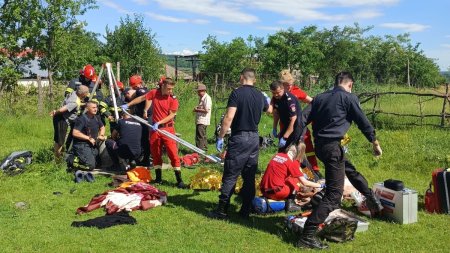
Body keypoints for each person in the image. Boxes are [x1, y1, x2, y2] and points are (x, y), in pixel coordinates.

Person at [298, 72, 383, 250]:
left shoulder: (320, 98)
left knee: (349, 169)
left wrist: (296, 140)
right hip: (332, 148)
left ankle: (370, 197)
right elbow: (363, 122)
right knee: (334, 196)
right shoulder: (349, 98)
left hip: (321, 146)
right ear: (350, 84)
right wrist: (375, 142)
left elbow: (302, 119)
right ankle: (308, 234)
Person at [208, 68, 270, 220]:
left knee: (231, 173)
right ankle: (245, 210)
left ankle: (222, 210)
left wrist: (221, 136)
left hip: (240, 137)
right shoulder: (260, 94)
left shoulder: (237, 93)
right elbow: (270, 110)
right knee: (249, 175)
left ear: (242, 77)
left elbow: (229, 117)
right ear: (254, 79)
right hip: (254, 138)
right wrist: (267, 99)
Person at [124, 78, 186, 188]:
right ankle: (158, 178)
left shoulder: (173, 99)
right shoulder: (154, 93)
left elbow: (171, 115)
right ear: (163, 86)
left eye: (172, 89)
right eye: (168, 89)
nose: (170, 91)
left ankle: (179, 180)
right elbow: (142, 98)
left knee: (173, 154)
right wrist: (128, 105)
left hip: (167, 129)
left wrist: (159, 122)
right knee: (155, 153)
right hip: (155, 130)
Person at [260, 143, 324, 212]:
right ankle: (291, 202)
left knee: (290, 178)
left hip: (263, 189)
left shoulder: (277, 155)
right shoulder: (292, 162)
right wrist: (321, 185)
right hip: (276, 192)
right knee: (295, 182)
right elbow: (305, 182)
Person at [280, 70, 320, 172]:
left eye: (291, 84)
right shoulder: (278, 94)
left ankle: (315, 170)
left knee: (307, 146)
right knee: (287, 149)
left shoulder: (296, 91)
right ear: (282, 84)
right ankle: (288, 171)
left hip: (300, 124)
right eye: (287, 85)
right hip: (286, 126)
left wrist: (308, 115)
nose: (289, 87)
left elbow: (312, 101)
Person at [50, 85, 89, 158]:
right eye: (87, 93)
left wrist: (84, 104)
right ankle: (57, 159)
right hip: (62, 119)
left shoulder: (74, 93)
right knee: (60, 141)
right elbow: (62, 109)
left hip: (61, 118)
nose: (87, 94)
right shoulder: (75, 102)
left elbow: (75, 103)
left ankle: (62, 152)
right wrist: (55, 112)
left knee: (60, 139)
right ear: (82, 94)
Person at [123, 75, 152, 166]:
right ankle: (145, 158)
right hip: (143, 118)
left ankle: (145, 159)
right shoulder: (141, 90)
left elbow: (147, 98)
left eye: (135, 86)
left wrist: (145, 110)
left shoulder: (141, 91)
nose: (135, 88)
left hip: (145, 118)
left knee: (144, 139)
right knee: (144, 138)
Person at [70, 101, 106, 171]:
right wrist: (88, 138)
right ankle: (71, 160)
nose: (96, 109)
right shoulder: (82, 119)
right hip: (81, 145)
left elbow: (102, 127)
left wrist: (101, 135)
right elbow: (75, 133)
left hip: (92, 145)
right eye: (93, 108)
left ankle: (81, 158)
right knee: (90, 166)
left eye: (96, 107)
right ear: (87, 108)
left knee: (98, 164)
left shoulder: (97, 117)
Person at [270, 80, 303, 152]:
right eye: (273, 93)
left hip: (296, 127)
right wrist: (274, 128)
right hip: (286, 125)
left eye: (278, 92)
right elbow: (276, 113)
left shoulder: (289, 100)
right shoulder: (276, 98)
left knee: (291, 152)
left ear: (283, 89)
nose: (276, 95)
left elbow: (293, 120)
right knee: (281, 151)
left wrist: (285, 137)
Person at [193, 83, 212, 151]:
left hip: (203, 120)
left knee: (200, 136)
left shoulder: (207, 98)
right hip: (200, 119)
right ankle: (204, 149)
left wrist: (196, 109)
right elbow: (203, 107)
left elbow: (206, 110)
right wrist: (198, 107)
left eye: (199, 91)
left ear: (203, 91)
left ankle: (199, 151)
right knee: (202, 135)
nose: (198, 93)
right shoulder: (202, 98)